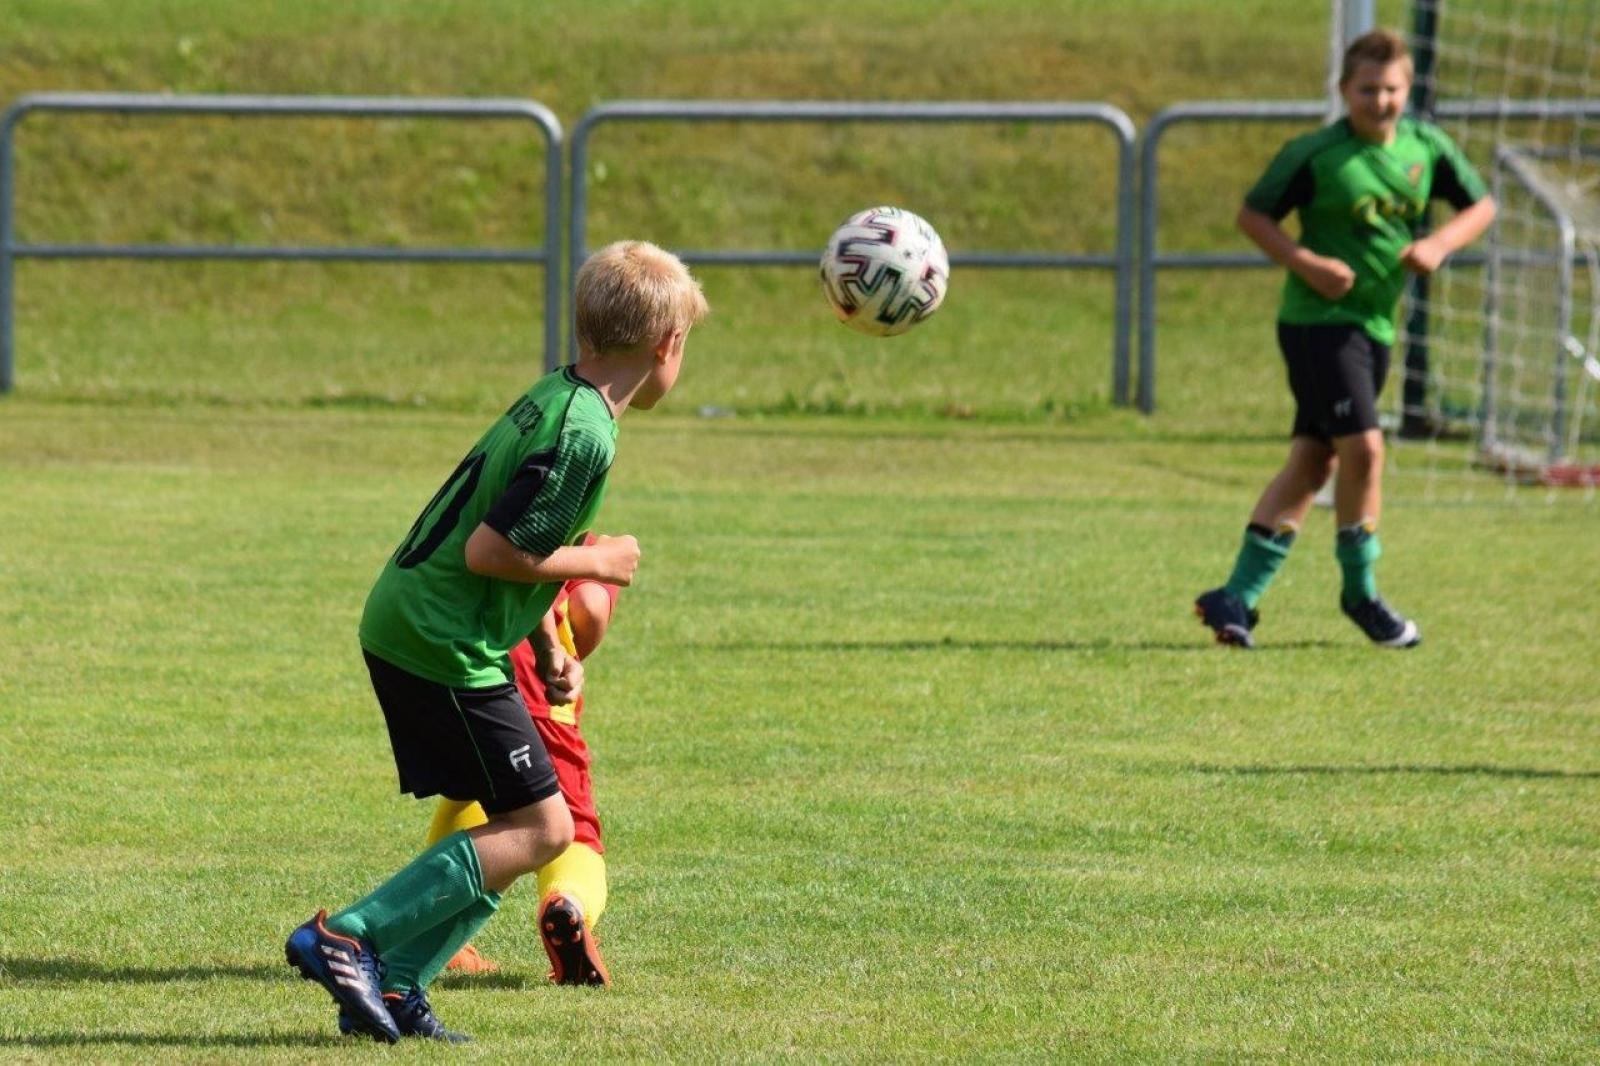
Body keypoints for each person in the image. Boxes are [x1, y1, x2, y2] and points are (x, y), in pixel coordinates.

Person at [284, 240, 708, 1043]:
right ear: (667, 345)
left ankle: (401, 983)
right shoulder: (587, 431)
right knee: (545, 829)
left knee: (520, 817)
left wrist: (548, 643)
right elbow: (491, 551)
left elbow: (524, 528)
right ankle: (350, 936)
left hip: (422, 623)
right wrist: (603, 563)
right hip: (439, 637)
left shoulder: (561, 395)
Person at [1194, 28, 1496, 650]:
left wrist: (1439, 243)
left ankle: (1236, 598)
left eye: (1391, 90)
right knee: (1365, 450)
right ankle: (1361, 594)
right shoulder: (1315, 154)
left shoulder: (1427, 147)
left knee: (1313, 461)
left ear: (1408, 91)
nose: (1379, 101)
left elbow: (1481, 206)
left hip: (1375, 325)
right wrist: (1307, 264)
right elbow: (1254, 216)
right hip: (1318, 326)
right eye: (1367, 89)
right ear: (1343, 91)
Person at [428, 561, 621, 987]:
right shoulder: (575, 535)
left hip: (447, 669)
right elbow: (588, 605)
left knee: (470, 796)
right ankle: (567, 901)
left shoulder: (482, 506)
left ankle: (436, 936)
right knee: (572, 826)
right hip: (532, 688)